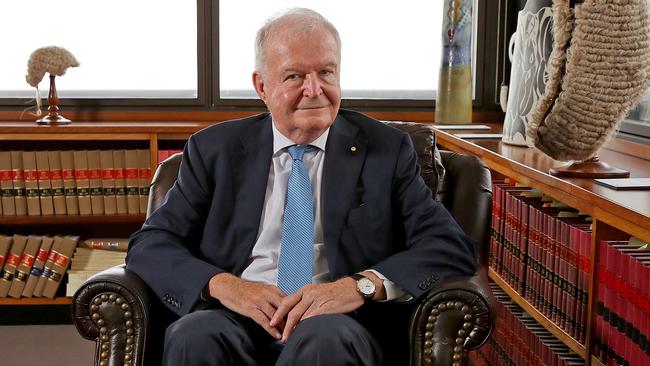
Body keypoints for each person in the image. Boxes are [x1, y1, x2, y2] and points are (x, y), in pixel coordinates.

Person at [126, 7, 476, 366]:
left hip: (337, 322)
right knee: (194, 335)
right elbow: (150, 245)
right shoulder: (214, 150)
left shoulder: (386, 150)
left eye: (326, 72)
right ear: (262, 86)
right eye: (294, 76)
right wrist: (225, 285)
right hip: (237, 315)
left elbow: (448, 245)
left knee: (324, 339)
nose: (314, 90)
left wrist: (360, 285)